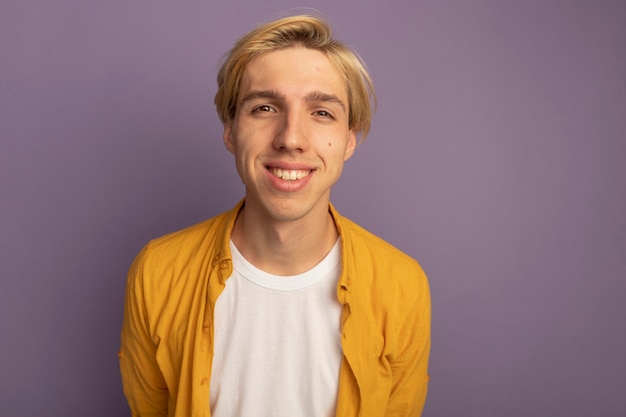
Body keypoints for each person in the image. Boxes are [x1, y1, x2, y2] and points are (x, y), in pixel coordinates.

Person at [119, 14, 431, 417]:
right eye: (265, 107)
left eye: (321, 113)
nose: (291, 138)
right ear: (230, 130)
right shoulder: (156, 274)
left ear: (349, 140)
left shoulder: (402, 287)